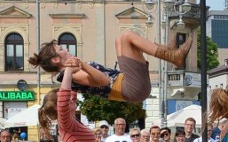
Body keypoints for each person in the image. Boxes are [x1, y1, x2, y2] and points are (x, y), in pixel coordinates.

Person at [29, 30, 191, 106]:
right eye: (61, 49)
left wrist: (82, 65)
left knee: (119, 39)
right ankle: (171, 56)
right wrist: (83, 64)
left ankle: (167, 51)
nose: (66, 49)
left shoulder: (71, 72)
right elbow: (104, 80)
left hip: (128, 84)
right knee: (126, 37)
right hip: (129, 88)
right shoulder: (69, 74)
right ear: (57, 59)